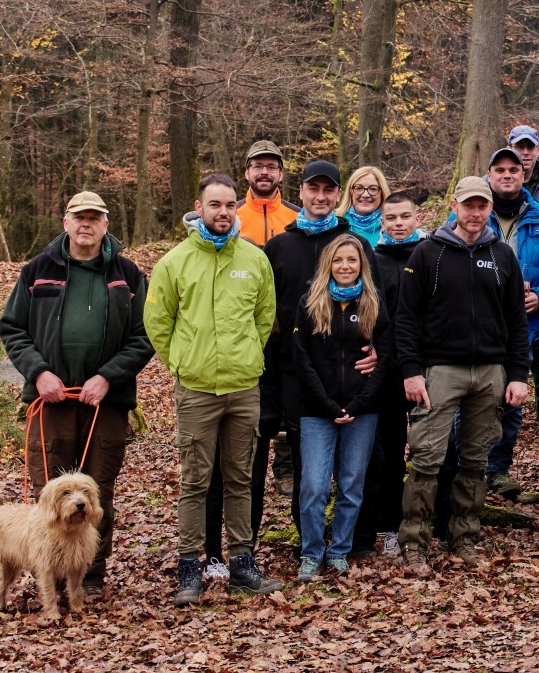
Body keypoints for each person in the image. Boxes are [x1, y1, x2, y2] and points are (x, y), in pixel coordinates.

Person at [0, 191, 152, 592]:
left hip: (106, 402)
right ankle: (48, 576)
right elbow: (13, 328)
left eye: (94, 218)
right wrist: (39, 374)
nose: (86, 224)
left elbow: (143, 336)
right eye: (78, 217)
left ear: (105, 225)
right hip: (51, 399)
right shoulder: (38, 269)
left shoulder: (128, 274)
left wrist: (107, 377)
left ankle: (90, 578)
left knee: (96, 489)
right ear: (65, 222)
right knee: (50, 492)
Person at [146, 173, 282, 606]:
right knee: (195, 482)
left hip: (244, 388)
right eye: (214, 205)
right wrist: (184, 363)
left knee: (241, 478)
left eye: (228, 205)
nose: (222, 212)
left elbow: (265, 319)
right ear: (199, 207)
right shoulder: (175, 262)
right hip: (197, 391)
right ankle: (191, 567)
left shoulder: (255, 260)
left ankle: (243, 564)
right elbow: (157, 324)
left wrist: (243, 357)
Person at [393, 176, 532, 575]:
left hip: (490, 372)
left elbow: (516, 321)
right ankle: (415, 541)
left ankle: (465, 536)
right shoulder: (426, 254)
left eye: (482, 206)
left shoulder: (503, 255)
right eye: (468, 205)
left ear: (490, 209)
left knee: (475, 460)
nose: (475, 213)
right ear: (454, 206)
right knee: (427, 460)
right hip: (440, 371)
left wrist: (518, 374)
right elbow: (407, 318)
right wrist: (412, 372)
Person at [242, 159, 378, 562]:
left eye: (328, 190)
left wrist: (377, 349)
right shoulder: (281, 246)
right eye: (313, 189)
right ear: (300, 192)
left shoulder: (354, 244)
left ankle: (347, 540)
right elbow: (262, 311)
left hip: (347, 373)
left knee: (351, 468)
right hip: (288, 370)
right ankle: (300, 543)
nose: (320, 197)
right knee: (302, 462)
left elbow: (378, 302)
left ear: (338, 196)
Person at [288, 235, 393, 579]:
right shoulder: (310, 302)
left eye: (352, 260)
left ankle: (339, 551)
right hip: (317, 410)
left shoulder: (372, 304)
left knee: (351, 485)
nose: (345, 266)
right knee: (314, 486)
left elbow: (384, 358)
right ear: (328, 265)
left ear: (362, 265)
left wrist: (360, 403)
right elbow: (301, 360)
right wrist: (328, 403)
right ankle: (311, 552)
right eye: (338, 260)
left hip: (362, 412)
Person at [481, 147, 539, 499]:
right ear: (490, 175)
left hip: (527, 326)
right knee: (475, 400)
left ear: (524, 174)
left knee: (513, 401)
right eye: (500, 170)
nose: (508, 174)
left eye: (514, 169)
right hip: (480, 325)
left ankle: (497, 470)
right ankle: (467, 468)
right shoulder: (472, 214)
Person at [352, 191, 423, 560]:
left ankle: (423, 522)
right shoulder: (372, 260)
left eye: (404, 217)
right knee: (386, 453)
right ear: (382, 220)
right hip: (382, 372)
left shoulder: (428, 256)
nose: (398, 224)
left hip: (423, 368)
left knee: (428, 451)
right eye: (391, 217)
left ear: (416, 218)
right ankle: (384, 522)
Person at [239, 140, 299, 248]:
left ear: (280, 174)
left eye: (271, 167)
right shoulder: (231, 215)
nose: (264, 172)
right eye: (258, 166)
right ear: (247, 173)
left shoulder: (298, 218)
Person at [338, 166, 389, 247]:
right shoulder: (336, 223)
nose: (365, 195)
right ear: (351, 192)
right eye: (359, 188)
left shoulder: (392, 226)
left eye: (373, 189)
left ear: (382, 193)